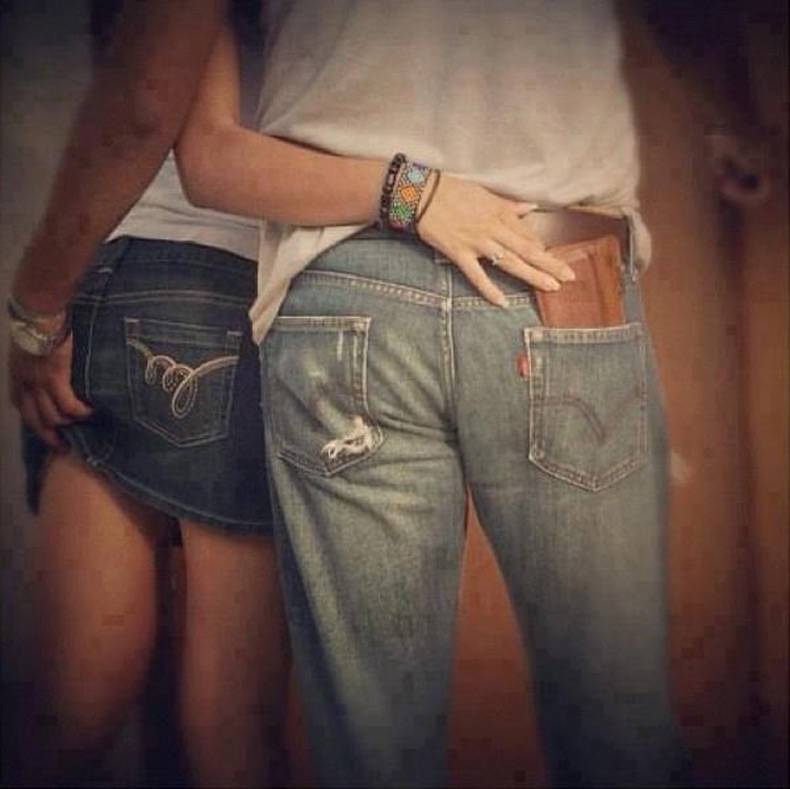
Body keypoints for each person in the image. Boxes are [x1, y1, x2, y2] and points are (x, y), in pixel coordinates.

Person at [173, 2, 693, 786]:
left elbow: (202, 153)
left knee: (372, 747)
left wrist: (410, 187)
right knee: (620, 731)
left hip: (345, 301)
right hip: (556, 275)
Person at [7, 2, 289, 786]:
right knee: (235, 728)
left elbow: (143, 101)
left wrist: (35, 308)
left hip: (136, 274)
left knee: (66, 715)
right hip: (257, 294)